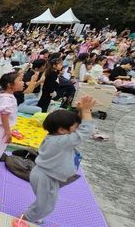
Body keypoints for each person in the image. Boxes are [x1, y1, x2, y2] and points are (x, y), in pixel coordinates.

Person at [24, 96, 97, 224]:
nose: (76, 129)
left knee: (45, 202)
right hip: (45, 177)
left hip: (46, 175)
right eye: (74, 127)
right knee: (45, 205)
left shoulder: (57, 136)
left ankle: (33, 215)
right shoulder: (61, 141)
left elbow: (80, 127)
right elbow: (85, 131)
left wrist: (81, 110)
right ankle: (25, 219)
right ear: (62, 130)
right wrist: (86, 111)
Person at [0, 72, 23, 169]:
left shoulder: (8, 96)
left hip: (2, 127)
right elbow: (4, 117)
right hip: (0, 128)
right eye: (20, 80)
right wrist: (8, 133)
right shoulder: (6, 98)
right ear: (10, 85)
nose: (22, 82)